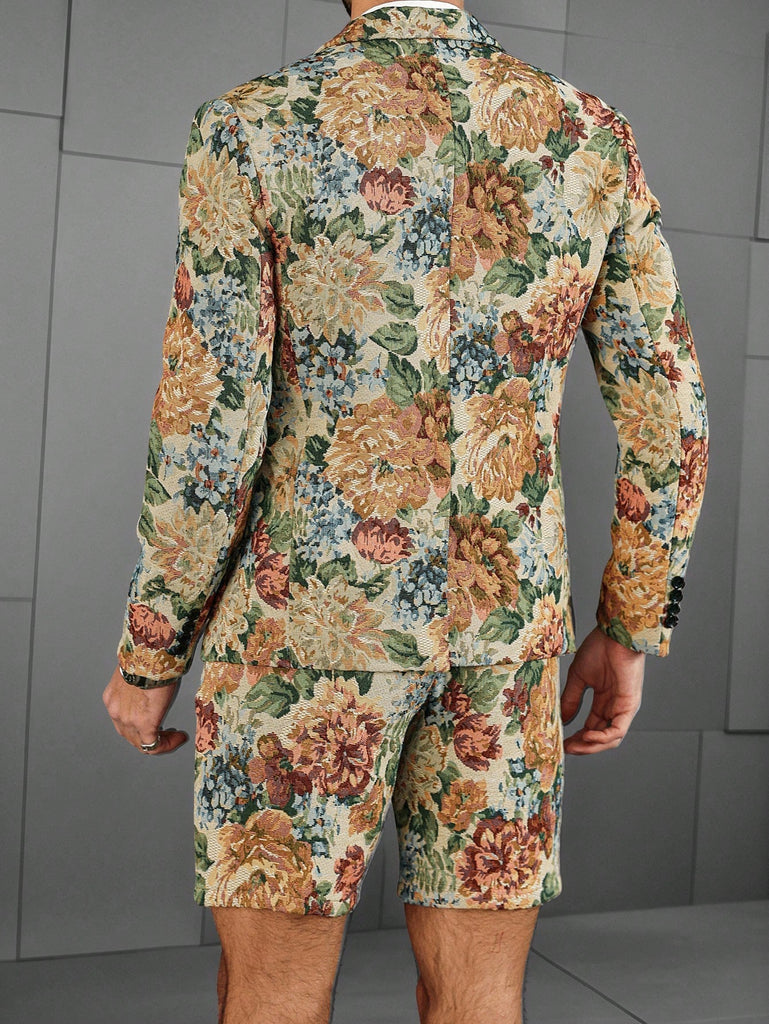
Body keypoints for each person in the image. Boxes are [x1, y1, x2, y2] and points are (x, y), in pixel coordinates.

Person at [102, 0, 708, 1020]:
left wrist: (153, 649)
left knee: (272, 999)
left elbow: (210, 422)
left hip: (305, 633)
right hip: (506, 637)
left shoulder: (254, 124)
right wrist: (629, 624)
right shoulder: (586, 131)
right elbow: (670, 411)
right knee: (481, 999)